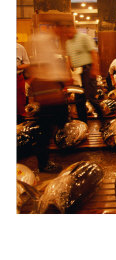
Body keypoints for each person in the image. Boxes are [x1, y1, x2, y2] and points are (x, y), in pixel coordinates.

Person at [28, 24, 73, 173]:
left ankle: (46, 154)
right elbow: (45, 67)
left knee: (57, 120)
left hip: (50, 87)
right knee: (45, 128)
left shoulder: (51, 41)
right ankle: (43, 163)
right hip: (47, 88)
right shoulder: (44, 40)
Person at [62, 22, 104, 124]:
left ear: (73, 28)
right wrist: (69, 74)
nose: (67, 35)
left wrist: (95, 69)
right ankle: (83, 124)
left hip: (87, 70)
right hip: (76, 73)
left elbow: (93, 53)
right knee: (79, 100)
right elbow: (69, 59)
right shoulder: (68, 42)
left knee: (91, 98)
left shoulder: (84, 37)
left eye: (68, 32)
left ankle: (103, 121)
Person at [17, 42, 30, 123]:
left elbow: (27, 63)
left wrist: (17, 67)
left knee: (20, 101)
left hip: (18, 77)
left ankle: (20, 121)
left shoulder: (20, 48)